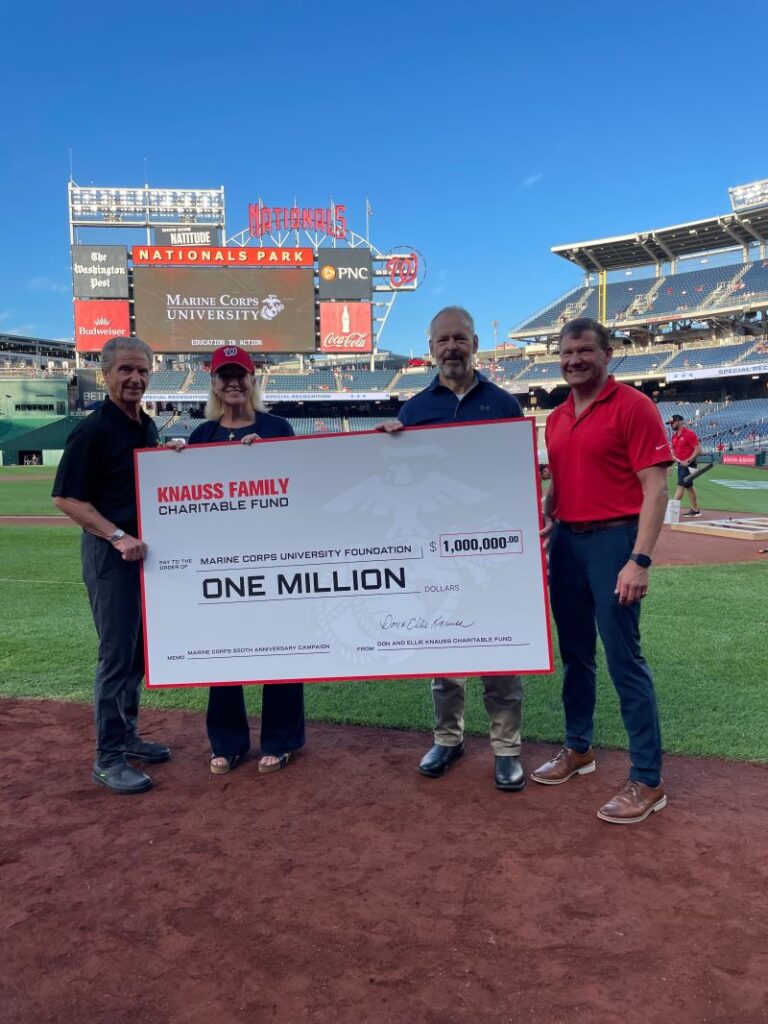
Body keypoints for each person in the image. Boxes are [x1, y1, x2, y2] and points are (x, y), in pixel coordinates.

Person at [380, 306, 526, 791]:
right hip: (434, 552)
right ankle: (448, 738)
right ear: (430, 350)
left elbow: (516, 481)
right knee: (444, 652)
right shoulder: (414, 411)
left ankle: (506, 748)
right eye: (442, 340)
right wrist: (385, 446)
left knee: (498, 653)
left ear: (475, 343)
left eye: (459, 338)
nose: (451, 348)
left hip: (494, 549)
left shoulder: (504, 404)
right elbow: (395, 479)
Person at [533, 317, 671, 824]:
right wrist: (548, 514)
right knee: (575, 654)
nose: (574, 361)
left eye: (585, 351)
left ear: (607, 354)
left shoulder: (635, 406)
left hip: (615, 542)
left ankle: (648, 780)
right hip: (568, 542)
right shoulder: (557, 417)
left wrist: (639, 559)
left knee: (623, 660)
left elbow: (655, 489)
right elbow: (562, 481)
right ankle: (579, 749)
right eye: (567, 353)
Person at [52, 336, 171, 795]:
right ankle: (108, 757)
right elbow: (65, 497)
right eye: (125, 370)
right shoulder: (93, 428)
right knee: (117, 655)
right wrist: (118, 537)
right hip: (111, 555)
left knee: (138, 653)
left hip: (143, 554)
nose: (134, 378)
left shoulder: (146, 425)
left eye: (142, 370)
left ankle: (128, 735)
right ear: (104, 374)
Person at [187, 345, 305, 775]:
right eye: (225, 375)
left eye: (241, 375)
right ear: (214, 383)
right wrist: (174, 463)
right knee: (224, 649)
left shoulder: (278, 427)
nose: (233, 382)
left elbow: (300, 486)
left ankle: (282, 738)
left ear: (253, 381)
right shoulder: (202, 435)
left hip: (275, 557)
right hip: (221, 562)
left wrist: (265, 458)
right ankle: (228, 742)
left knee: (282, 647)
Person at [669, 414, 703, 517]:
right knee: (689, 486)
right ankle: (695, 510)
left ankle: (671, 512)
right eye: (670, 423)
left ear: (680, 421)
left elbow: (698, 449)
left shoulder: (689, 434)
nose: (671, 425)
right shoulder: (674, 436)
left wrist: (688, 460)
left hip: (689, 465)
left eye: (673, 422)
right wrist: (672, 461)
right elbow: (673, 450)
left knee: (680, 486)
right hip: (681, 464)